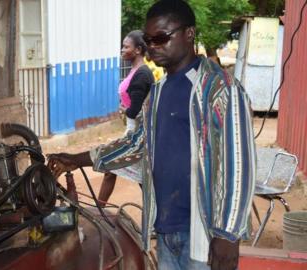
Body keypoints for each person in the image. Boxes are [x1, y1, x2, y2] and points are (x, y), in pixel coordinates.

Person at [47, 1, 256, 270]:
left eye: (161, 38)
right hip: (166, 230)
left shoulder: (219, 88)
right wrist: (76, 158)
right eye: (148, 39)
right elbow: (136, 143)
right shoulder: (157, 92)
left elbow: (239, 163)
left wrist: (228, 234)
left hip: (204, 233)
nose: (152, 46)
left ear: (189, 34)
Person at [98, 30, 154, 207]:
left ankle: (99, 211)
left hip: (136, 131)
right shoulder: (136, 71)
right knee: (141, 178)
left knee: (112, 167)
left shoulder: (142, 75)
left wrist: (125, 110)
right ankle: (99, 211)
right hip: (133, 128)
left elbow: (135, 110)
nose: (122, 50)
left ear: (138, 50)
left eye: (125, 46)